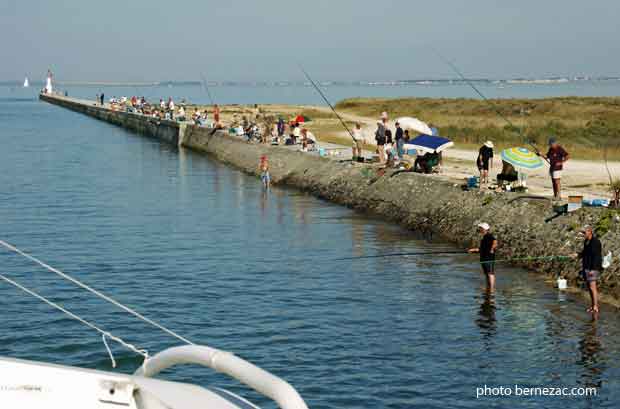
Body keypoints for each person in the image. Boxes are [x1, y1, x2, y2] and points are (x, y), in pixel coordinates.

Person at [574, 226, 602, 314]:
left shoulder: (596, 242)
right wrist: (577, 255)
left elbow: (596, 257)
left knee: (592, 287)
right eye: (582, 233)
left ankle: (595, 307)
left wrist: (592, 269)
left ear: (589, 232)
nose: (582, 234)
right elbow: (584, 253)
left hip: (593, 268)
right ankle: (592, 305)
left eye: (584, 233)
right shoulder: (586, 241)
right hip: (586, 267)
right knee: (589, 288)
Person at [468, 222, 498, 291]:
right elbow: (481, 249)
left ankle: (492, 288)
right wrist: (473, 250)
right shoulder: (484, 237)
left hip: (489, 257)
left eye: (480, 228)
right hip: (484, 258)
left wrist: (492, 249)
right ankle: (488, 287)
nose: (479, 229)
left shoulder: (489, 235)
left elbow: (495, 242)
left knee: (490, 273)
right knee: (487, 273)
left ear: (484, 229)